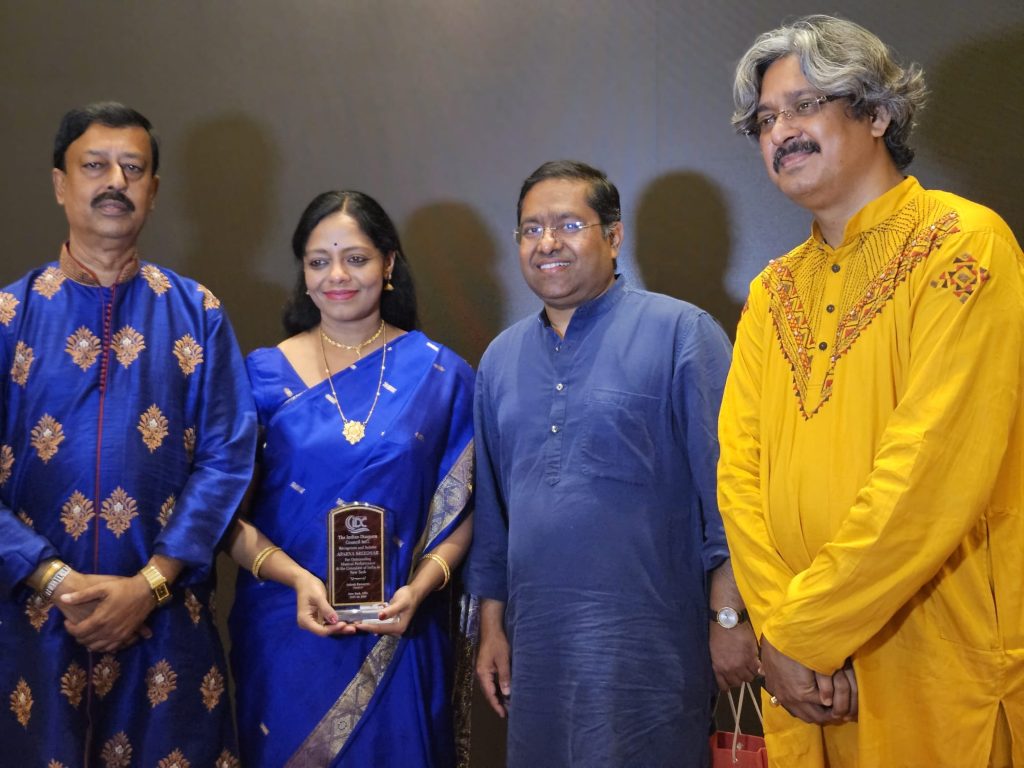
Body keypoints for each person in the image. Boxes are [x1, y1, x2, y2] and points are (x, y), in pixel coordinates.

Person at [720, 14, 1024, 767]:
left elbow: (933, 469)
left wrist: (805, 634)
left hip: (930, 647)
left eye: (802, 106)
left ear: (878, 111)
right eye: (764, 120)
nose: (779, 131)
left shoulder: (963, 246)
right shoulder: (771, 290)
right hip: (806, 678)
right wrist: (781, 634)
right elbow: (739, 474)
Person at [466, 160, 759, 767]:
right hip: (539, 649)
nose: (548, 243)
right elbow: (494, 515)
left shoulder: (682, 334)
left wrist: (729, 616)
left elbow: (729, 491)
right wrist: (490, 627)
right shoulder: (499, 360)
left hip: (650, 649)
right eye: (530, 229)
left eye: (570, 224)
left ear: (613, 236)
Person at [0, 102, 255, 766]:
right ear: (60, 182)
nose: (115, 180)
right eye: (95, 166)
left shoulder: (197, 314)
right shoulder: (8, 317)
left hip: (167, 628)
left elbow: (228, 460)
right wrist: (54, 581)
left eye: (133, 168)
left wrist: (150, 585)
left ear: (153, 190)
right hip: (32, 630)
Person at [226, 190, 475, 767]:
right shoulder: (260, 376)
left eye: (356, 258)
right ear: (303, 273)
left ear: (389, 265)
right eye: (318, 261)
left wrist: (421, 587)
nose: (337, 275)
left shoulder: (441, 375)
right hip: (288, 633)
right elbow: (224, 519)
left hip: (399, 631)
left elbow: (462, 516)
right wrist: (297, 580)